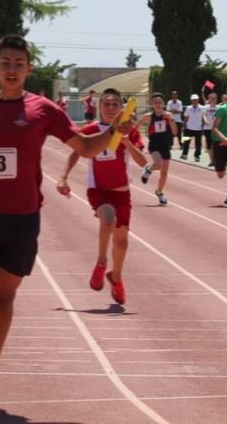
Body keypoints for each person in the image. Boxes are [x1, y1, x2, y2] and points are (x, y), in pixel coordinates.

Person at [0, 35, 133, 409]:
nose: (12, 69)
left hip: (24, 217)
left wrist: (114, 132)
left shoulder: (44, 110)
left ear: (29, 69)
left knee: (2, 300)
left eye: (19, 63)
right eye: (6, 62)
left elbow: (84, 147)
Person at [56, 88, 146, 304]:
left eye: (115, 104)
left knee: (122, 243)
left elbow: (143, 162)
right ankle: (101, 261)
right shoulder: (90, 129)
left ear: (122, 108)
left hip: (122, 192)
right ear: (99, 106)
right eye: (107, 104)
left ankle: (116, 278)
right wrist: (63, 177)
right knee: (108, 219)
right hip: (98, 189)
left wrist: (126, 142)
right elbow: (75, 153)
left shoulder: (129, 130)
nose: (111, 108)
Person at [138, 92, 178, 205]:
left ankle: (159, 192)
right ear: (152, 104)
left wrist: (171, 120)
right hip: (154, 145)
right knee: (158, 163)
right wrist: (135, 137)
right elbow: (138, 124)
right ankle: (148, 170)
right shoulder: (149, 116)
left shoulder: (168, 116)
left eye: (160, 102)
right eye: (156, 103)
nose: (158, 104)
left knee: (164, 173)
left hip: (165, 145)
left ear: (163, 104)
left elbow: (175, 132)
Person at [180, 93, 205, 161]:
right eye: (193, 100)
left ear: (198, 100)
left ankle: (197, 156)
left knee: (198, 144)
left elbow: (203, 117)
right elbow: (186, 117)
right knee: (186, 142)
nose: (195, 101)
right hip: (189, 128)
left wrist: (203, 126)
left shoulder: (202, 108)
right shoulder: (188, 108)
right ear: (191, 100)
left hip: (198, 128)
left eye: (196, 100)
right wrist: (184, 126)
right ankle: (184, 154)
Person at [202, 91, 219, 167]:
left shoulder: (219, 108)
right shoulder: (206, 107)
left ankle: (217, 160)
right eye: (211, 98)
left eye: (214, 98)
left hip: (216, 129)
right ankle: (212, 161)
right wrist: (206, 121)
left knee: (216, 144)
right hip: (208, 128)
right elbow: (204, 115)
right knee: (209, 145)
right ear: (209, 99)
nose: (213, 99)